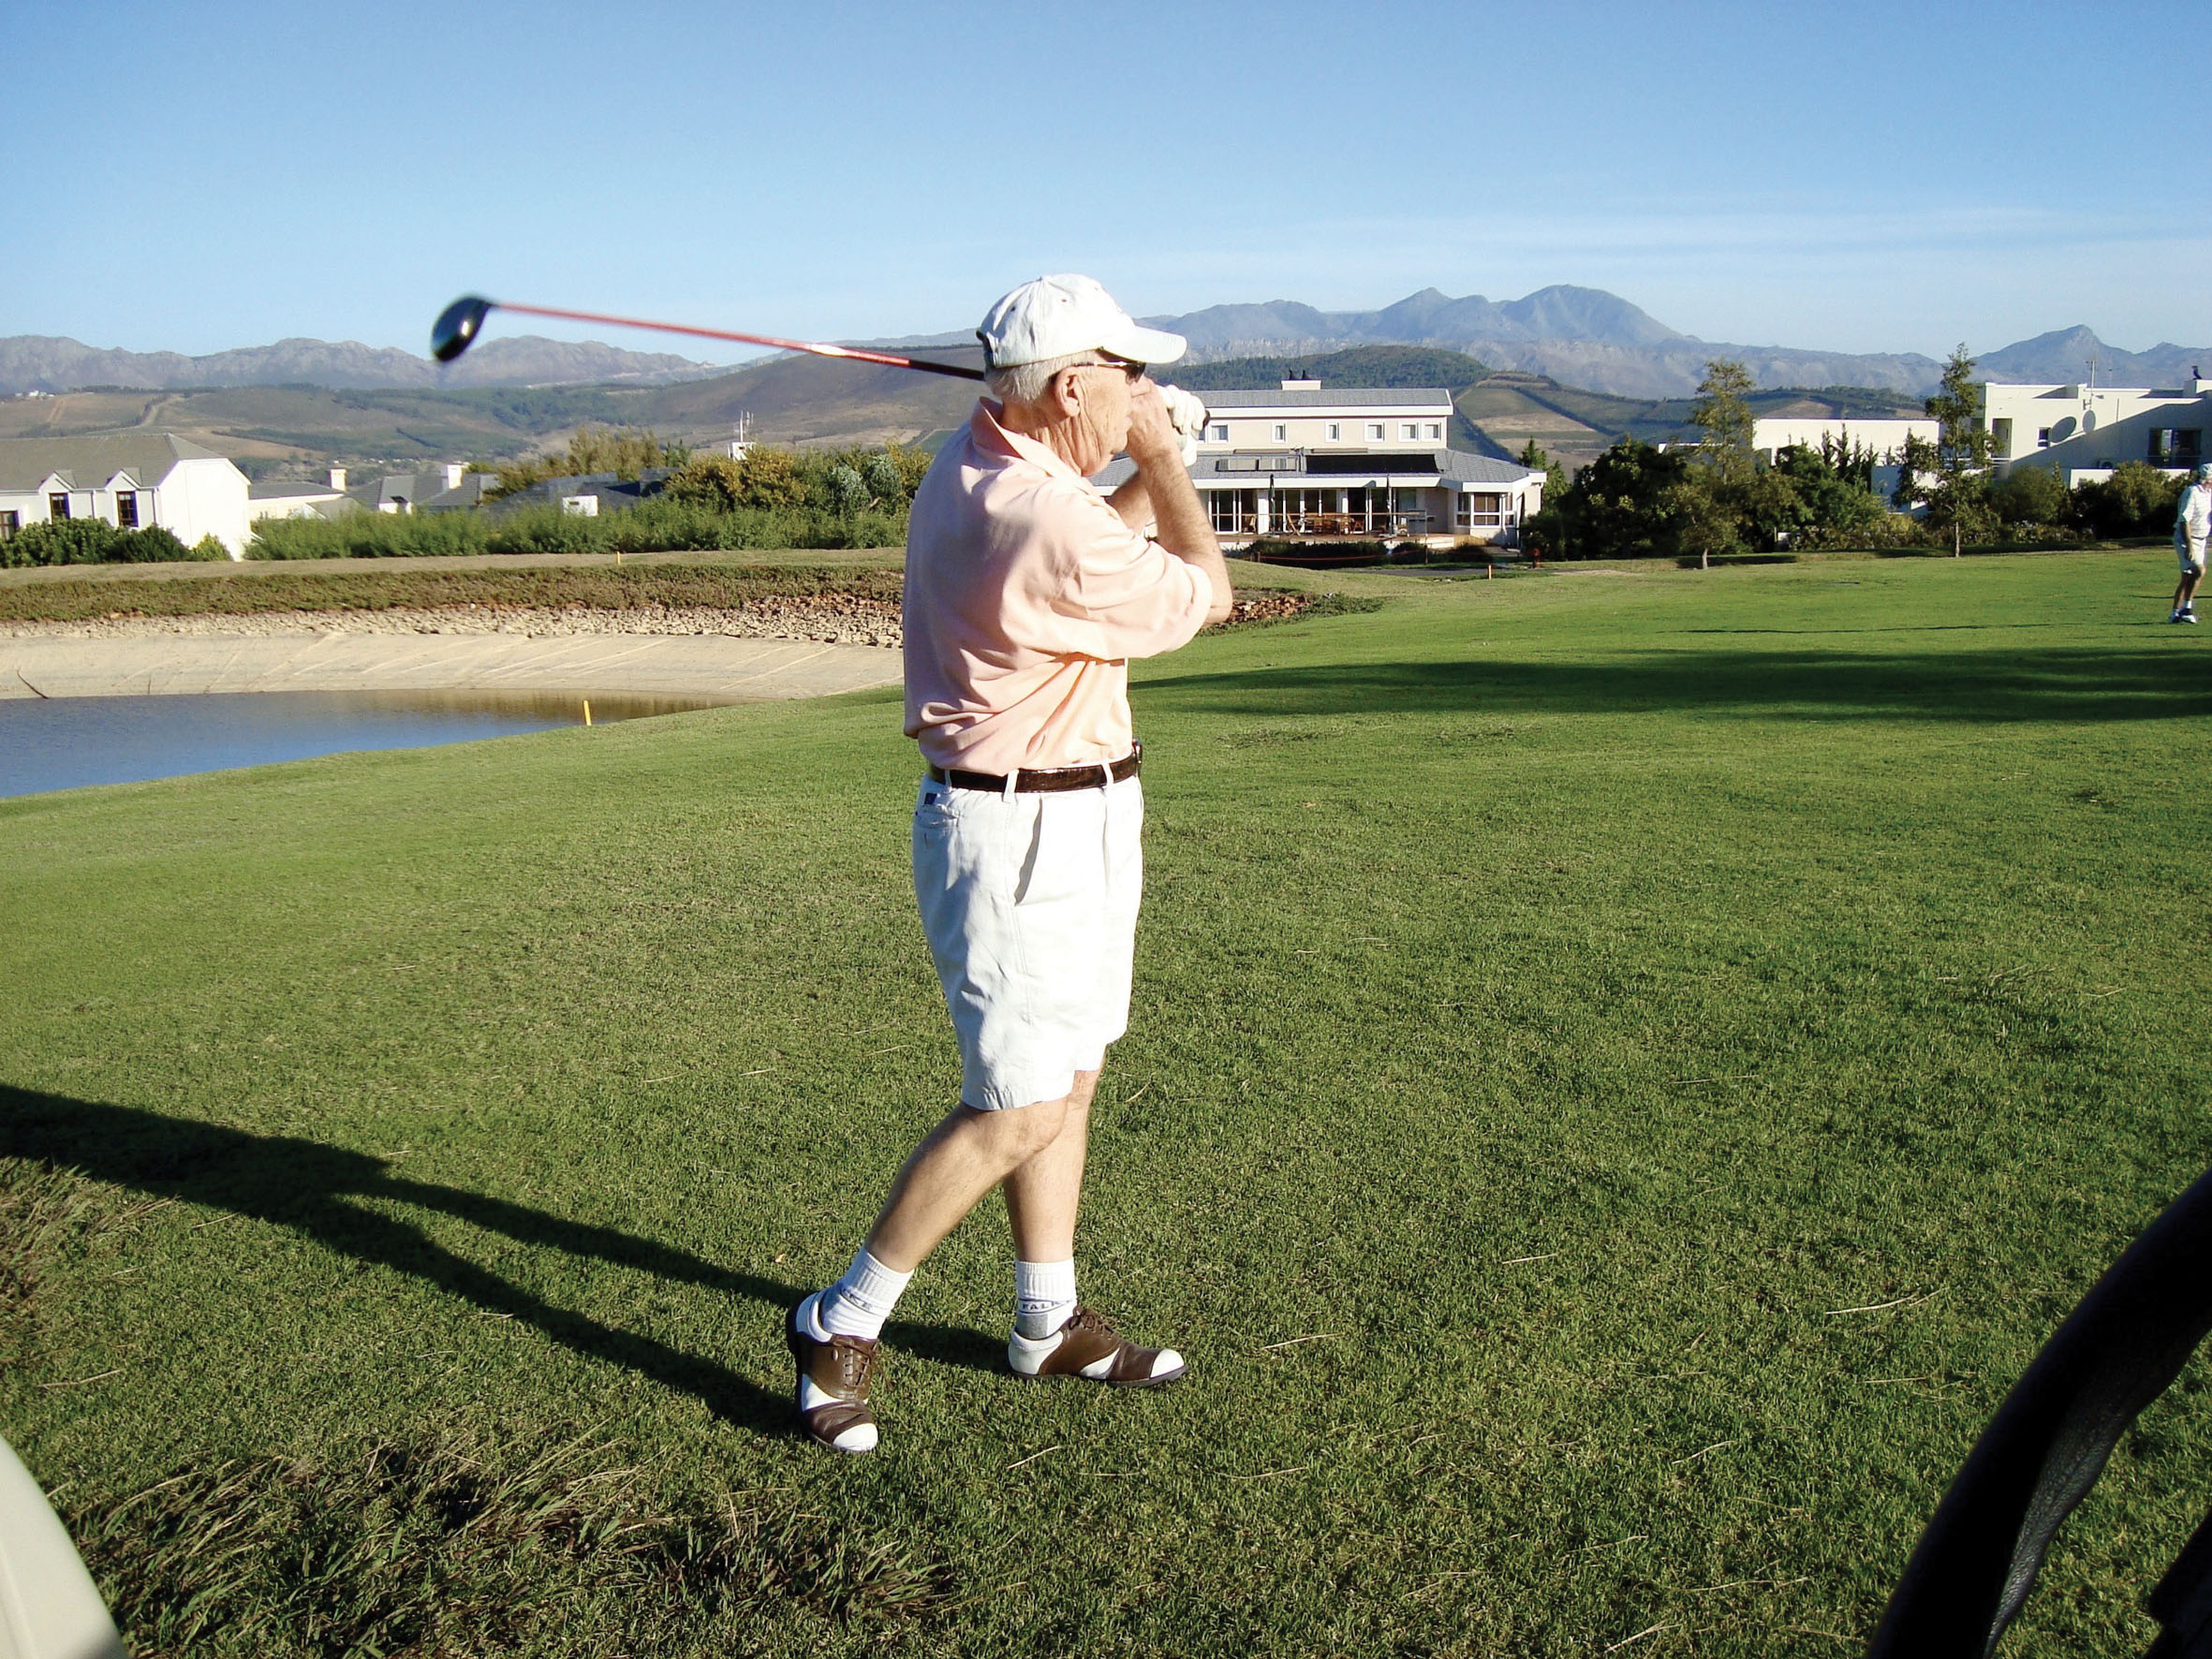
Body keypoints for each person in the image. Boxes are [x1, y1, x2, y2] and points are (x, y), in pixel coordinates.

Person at [785, 275, 1233, 1453]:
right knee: (1018, 1103)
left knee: (1069, 1080)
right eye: (1125, 374)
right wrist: (1166, 456)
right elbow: (1204, 593)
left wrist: (1138, 450)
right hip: (1018, 833)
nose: (1140, 389)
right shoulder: (1037, 513)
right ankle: (840, 1317)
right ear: (1072, 383)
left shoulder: (987, 461)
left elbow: (1097, 535)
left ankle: (1045, 1320)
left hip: (1081, 811)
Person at [2173, 462, 2212, 624]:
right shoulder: (2192, 492)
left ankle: (2175, 613)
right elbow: (2184, 520)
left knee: (2187, 577)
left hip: (2201, 540)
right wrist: (2188, 544)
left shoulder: (2208, 493)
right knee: (2199, 571)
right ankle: (2186, 609)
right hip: (2186, 539)